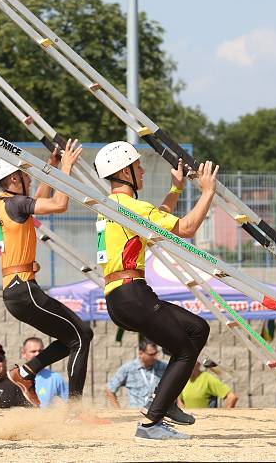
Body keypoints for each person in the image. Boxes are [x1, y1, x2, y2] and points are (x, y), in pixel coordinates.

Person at [93, 141, 218, 440]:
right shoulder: (131, 207)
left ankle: (166, 402)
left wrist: (175, 190)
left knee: (197, 328)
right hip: (132, 293)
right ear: (124, 171)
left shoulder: (111, 208)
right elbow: (185, 228)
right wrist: (208, 192)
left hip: (121, 296)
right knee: (185, 351)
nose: (143, 170)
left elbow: (157, 220)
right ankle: (151, 423)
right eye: (137, 166)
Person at [0, 139, 94, 407]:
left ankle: (24, 373)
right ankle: (75, 408)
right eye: (24, 174)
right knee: (82, 335)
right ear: (13, 178)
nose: (28, 177)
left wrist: (51, 167)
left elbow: (38, 200)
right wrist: (65, 168)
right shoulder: (16, 204)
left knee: (73, 337)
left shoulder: (5, 203)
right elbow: (58, 204)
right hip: (24, 290)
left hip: (16, 291)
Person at [105, 340, 166, 409]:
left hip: (157, 414)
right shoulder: (128, 368)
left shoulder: (164, 367)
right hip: (136, 414)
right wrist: (118, 411)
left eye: (156, 353)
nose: (155, 357)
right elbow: (109, 389)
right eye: (151, 354)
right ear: (141, 353)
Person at [20, 337, 68, 408]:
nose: (37, 354)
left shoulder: (55, 378)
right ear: (23, 354)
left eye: (40, 351)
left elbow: (70, 402)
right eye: (33, 351)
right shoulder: (15, 377)